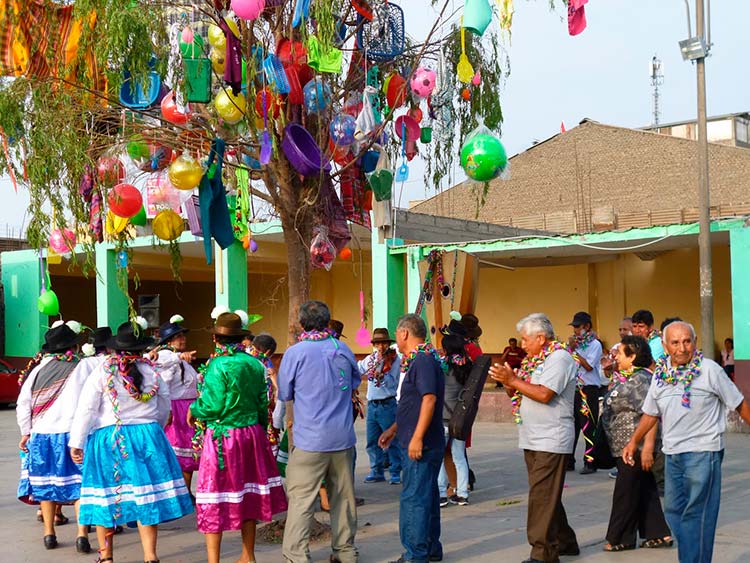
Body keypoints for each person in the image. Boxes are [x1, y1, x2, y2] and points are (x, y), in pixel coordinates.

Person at [622, 321, 750, 563]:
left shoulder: (710, 370)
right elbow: (651, 413)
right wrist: (634, 442)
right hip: (673, 454)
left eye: (687, 341)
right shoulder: (660, 375)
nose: (682, 348)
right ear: (664, 345)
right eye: (675, 342)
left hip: (704, 452)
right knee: (674, 512)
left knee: (697, 514)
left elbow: (739, 404)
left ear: (695, 342)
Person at [69, 319, 194, 563]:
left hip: (110, 438)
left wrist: (77, 441)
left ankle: (106, 557)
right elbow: (163, 406)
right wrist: (154, 429)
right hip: (147, 436)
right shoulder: (151, 371)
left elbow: (86, 409)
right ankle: (150, 555)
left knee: (108, 496)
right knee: (145, 496)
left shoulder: (103, 371)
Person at [188, 312, 287, 563]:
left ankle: (214, 560)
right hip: (251, 434)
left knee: (213, 495)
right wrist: (262, 430)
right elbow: (263, 403)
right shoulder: (255, 363)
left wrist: (194, 409)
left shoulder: (217, 365)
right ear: (242, 338)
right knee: (248, 492)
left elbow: (213, 405)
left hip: (223, 437)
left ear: (215, 338)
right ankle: (248, 555)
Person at [489, 313, 579, 563]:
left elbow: (544, 394)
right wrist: (509, 383)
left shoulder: (559, 358)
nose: (523, 344)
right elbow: (521, 394)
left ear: (541, 338)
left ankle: (543, 553)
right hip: (532, 436)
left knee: (541, 496)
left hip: (552, 438)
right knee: (546, 494)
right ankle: (565, 541)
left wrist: (514, 380)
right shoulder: (534, 359)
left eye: (525, 339)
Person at [278, 301, 361, 563]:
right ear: (327, 322)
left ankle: (296, 555)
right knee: (343, 499)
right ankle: (345, 551)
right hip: (342, 438)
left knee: (302, 501)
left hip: (309, 440)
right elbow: (356, 381)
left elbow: (285, 393)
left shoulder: (295, 353)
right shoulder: (342, 348)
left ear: (302, 324)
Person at [17, 320, 93, 552]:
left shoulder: (37, 370)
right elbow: (92, 402)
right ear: (73, 346)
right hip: (75, 435)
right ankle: (82, 535)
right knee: (80, 485)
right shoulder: (84, 367)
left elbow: (23, 403)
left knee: (46, 486)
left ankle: (49, 533)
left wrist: (25, 432)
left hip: (42, 436)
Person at [379, 314, 445, 563]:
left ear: (405, 333)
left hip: (423, 443)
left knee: (414, 499)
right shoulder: (418, 360)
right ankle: (429, 548)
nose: (396, 337)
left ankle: (415, 554)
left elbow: (429, 399)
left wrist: (416, 437)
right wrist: (395, 429)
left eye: (397, 332)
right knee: (425, 495)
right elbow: (415, 403)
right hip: (416, 438)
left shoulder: (424, 361)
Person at [601, 336, 672, 552]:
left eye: (620, 353)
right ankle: (658, 533)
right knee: (644, 488)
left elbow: (650, 415)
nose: (616, 356)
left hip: (633, 447)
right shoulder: (627, 377)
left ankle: (620, 537)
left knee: (626, 491)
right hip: (623, 444)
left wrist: (648, 448)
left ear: (632, 357)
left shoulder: (641, 381)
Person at [151, 315, 200, 498]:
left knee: (189, 453)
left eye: (183, 336)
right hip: (177, 409)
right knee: (180, 453)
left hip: (188, 407)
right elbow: (163, 381)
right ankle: (181, 493)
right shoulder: (166, 356)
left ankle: (185, 492)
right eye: (178, 337)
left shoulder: (181, 361)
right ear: (169, 341)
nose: (183, 339)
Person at [359, 328, 402, 485]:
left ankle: (396, 470)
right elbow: (358, 368)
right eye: (378, 344)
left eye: (384, 343)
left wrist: (382, 376)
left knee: (391, 440)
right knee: (372, 441)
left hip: (387, 404)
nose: (381, 347)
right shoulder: (371, 359)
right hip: (372, 405)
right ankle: (376, 470)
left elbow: (393, 382)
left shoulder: (395, 360)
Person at [567, 311, 605, 474]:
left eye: (578, 327)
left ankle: (590, 462)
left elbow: (589, 366)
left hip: (588, 389)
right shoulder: (575, 344)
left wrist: (575, 352)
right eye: (574, 327)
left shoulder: (595, 344)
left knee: (588, 425)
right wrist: (570, 349)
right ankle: (569, 460)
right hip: (574, 387)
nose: (575, 330)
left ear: (587, 327)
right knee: (572, 425)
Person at [438, 333, 472, 507]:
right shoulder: (469, 367)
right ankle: (462, 494)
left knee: (439, 456)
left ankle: (442, 494)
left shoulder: (443, 367)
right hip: (460, 419)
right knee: (459, 457)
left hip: (443, 418)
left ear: (446, 349)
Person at [248, 332, 281, 456]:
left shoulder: (241, 356)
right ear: (267, 352)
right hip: (261, 409)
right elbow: (277, 387)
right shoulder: (265, 362)